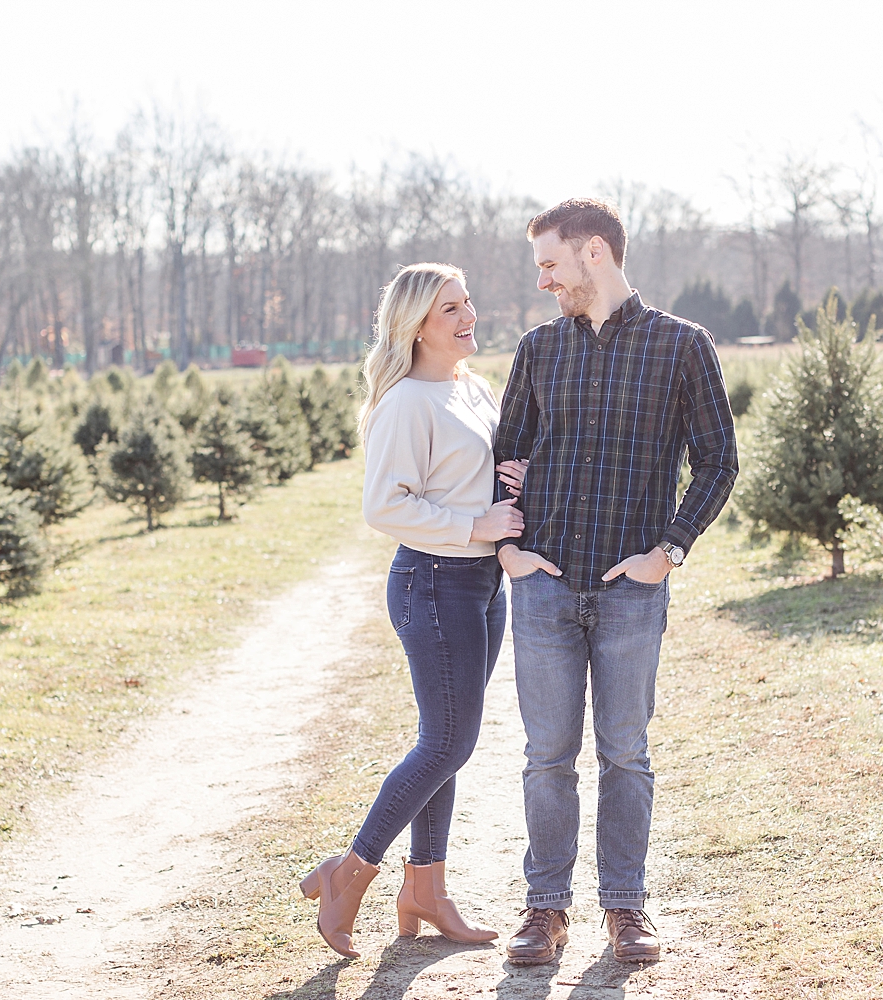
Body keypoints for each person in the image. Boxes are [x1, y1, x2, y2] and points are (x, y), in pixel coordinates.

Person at [494, 199, 738, 965]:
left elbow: (719, 461)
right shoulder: (538, 350)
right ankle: (544, 908)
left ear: (594, 253)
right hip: (544, 585)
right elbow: (505, 456)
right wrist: (510, 547)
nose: (543, 282)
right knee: (546, 757)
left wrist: (669, 549)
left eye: (550, 265)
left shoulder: (681, 346)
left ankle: (625, 907)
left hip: (632, 587)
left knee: (625, 753)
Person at [300, 262, 528, 959]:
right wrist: (477, 525)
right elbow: (385, 506)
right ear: (414, 326)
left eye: (467, 302)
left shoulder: (472, 387)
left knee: (447, 741)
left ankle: (425, 889)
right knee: (447, 742)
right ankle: (351, 871)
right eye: (448, 310)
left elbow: (466, 477)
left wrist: (508, 479)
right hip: (433, 582)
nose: (468, 318)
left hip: (481, 586)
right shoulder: (405, 402)